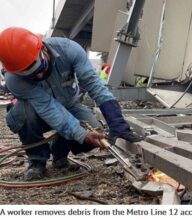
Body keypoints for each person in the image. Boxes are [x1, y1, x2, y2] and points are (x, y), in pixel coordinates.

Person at [0, 27, 142, 181]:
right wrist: (81, 134)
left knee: (94, 129)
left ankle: (59, 152)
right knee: (23, 115)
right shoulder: (14, 80)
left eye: (40, 67)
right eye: (32, 76)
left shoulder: (69, 49)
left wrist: (116, 121)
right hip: (37, 112)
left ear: (42, 49)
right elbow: (48, 107)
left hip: (70, 105)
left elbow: (93, 84)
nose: (40, 75)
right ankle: (36, 161)